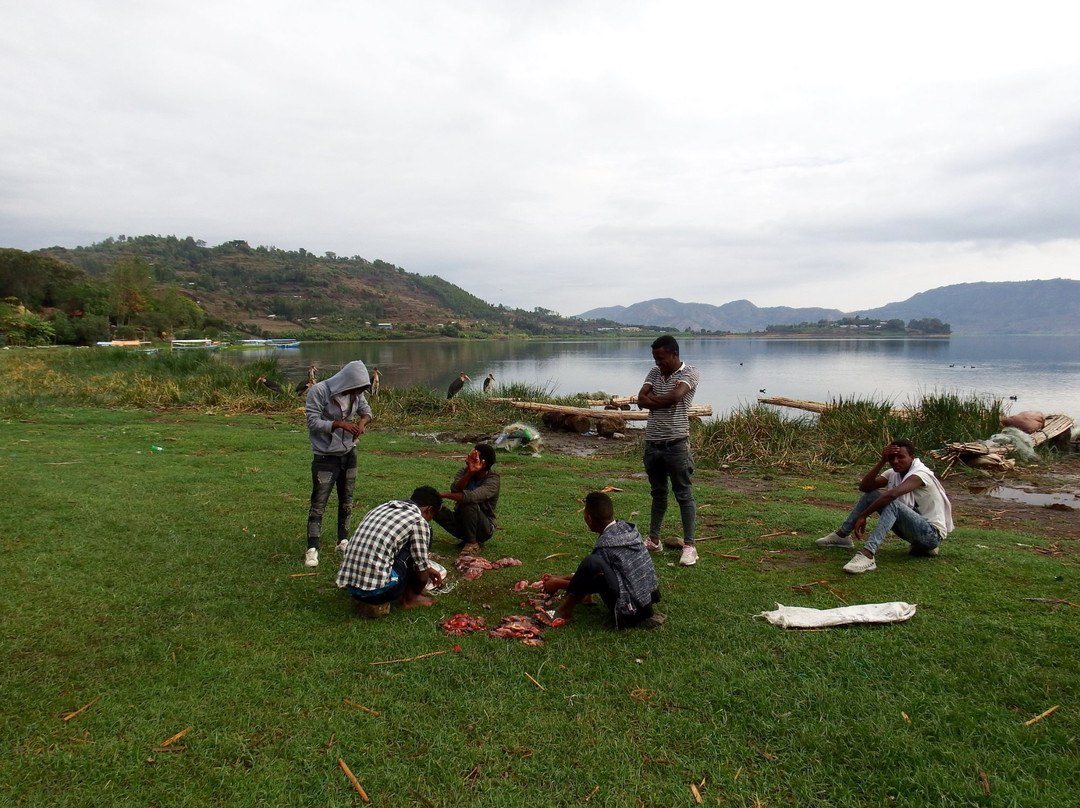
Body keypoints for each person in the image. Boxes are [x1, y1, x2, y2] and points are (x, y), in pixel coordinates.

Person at [816, 439, 954, 574]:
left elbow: (892, 495)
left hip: (931, 535)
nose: (895, 461)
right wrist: (882, 461)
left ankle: (868, 555)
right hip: (913, 529)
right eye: (891, 457)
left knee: (892, 502)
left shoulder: (920, 474)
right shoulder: (893, 473)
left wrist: (864, 515)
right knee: (872, 495)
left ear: (911, 457)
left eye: (900, 457)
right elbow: (865, 487)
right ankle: (842, 536)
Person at [544, 492, 664, 629]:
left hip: (632, 611)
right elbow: (601, 576)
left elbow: (592, 576)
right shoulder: (626, 530)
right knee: (595, 565)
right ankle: (582, 596)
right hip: (645, 601)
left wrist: (559, 583)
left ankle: (564, 611)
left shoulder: (606, 545)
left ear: (589, 518)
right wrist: (559, 579)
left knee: (592, 562)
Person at [636, 335, 701, 566]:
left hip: (676, 444)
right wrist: (656, 399)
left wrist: (652, 398)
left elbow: (676, 396)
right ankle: (654, 539)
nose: (657, 363)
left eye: (661, 358)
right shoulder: (654, 373)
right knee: (658, 493)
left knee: (683, 493)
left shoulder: (689, 373)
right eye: (655, 358)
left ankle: (690, 546)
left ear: (674, 354)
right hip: (652, 444)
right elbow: (639, 399)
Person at [303, 360, 373, 568]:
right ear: (347, 381)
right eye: (357, 388)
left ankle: (343, 540)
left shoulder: (356, 394)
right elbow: (313, 422)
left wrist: (361, 423)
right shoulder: (319, 391)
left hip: (349, 453)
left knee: (347, 499)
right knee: (319, 501)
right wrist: (339, 424)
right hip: (325, 456)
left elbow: (367, 411)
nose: (358, 393)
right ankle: (312, 548)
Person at [336, 487, 445, 615]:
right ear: (429, 509)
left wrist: (427, 568)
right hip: (378, 593)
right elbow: (421, 572)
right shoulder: (418, 521)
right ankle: (411, 598)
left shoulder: (381, 508)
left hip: (351, 586)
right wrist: (423, 574)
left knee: (407, 546)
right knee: (421, 538)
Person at [435, 443, 500, 556]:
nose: (468, 459)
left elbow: (471, 497)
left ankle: (472, 542)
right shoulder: (463, 471)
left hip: (483, 528)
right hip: (462, 521)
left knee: (469, 503)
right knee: (432, 504)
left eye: (473, 457)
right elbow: (455, 488)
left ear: (483, 464)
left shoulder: (493, 480)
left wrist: (442, 495)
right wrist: (470, 473)